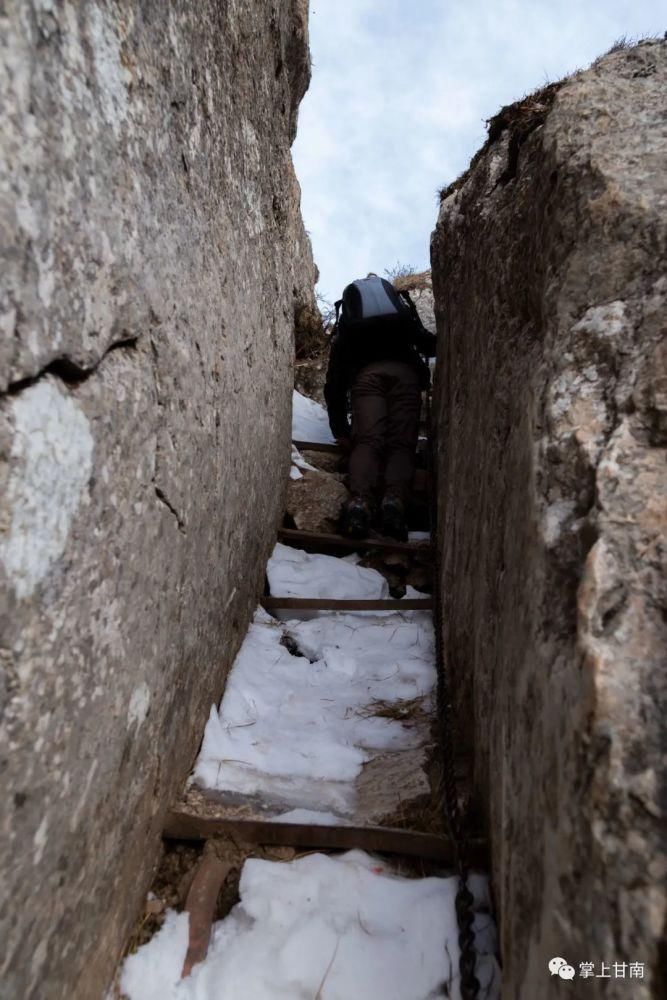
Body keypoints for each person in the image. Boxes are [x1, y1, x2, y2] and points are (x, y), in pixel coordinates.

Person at [324, 275, 437, 540]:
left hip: (368, 378)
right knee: (400, 444)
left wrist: (339, 427)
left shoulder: (350, 325)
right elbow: (426, 343)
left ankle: (359, 503)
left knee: (368, 441)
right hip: (405, 376)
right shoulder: (399, 313)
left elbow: (336, 380)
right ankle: (393, 502)